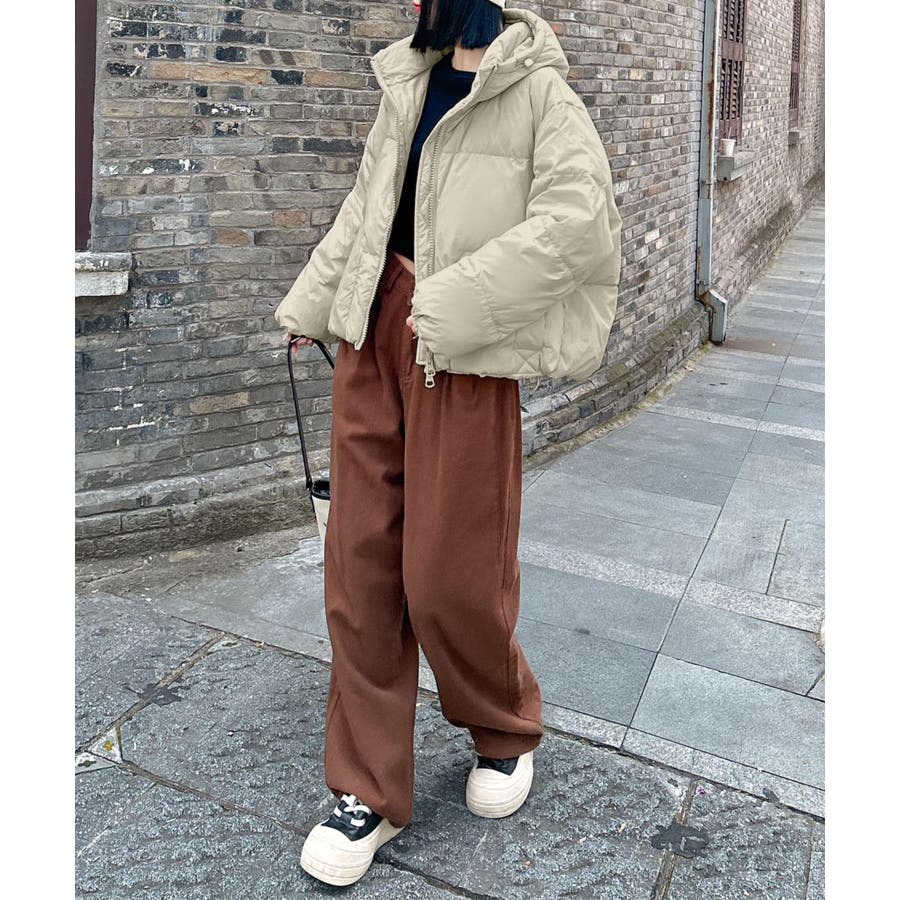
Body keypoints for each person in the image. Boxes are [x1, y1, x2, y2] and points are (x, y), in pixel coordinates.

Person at [276, 0, 622, 887]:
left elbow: (579, 224)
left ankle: (503, 726)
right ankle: (366, 789)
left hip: (460, 349)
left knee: (448, 572)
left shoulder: (539, 91)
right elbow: (367, 209)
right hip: (372, 331)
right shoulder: (409, 79)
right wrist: (313, 303)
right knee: (358, 566)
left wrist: (453, 303)